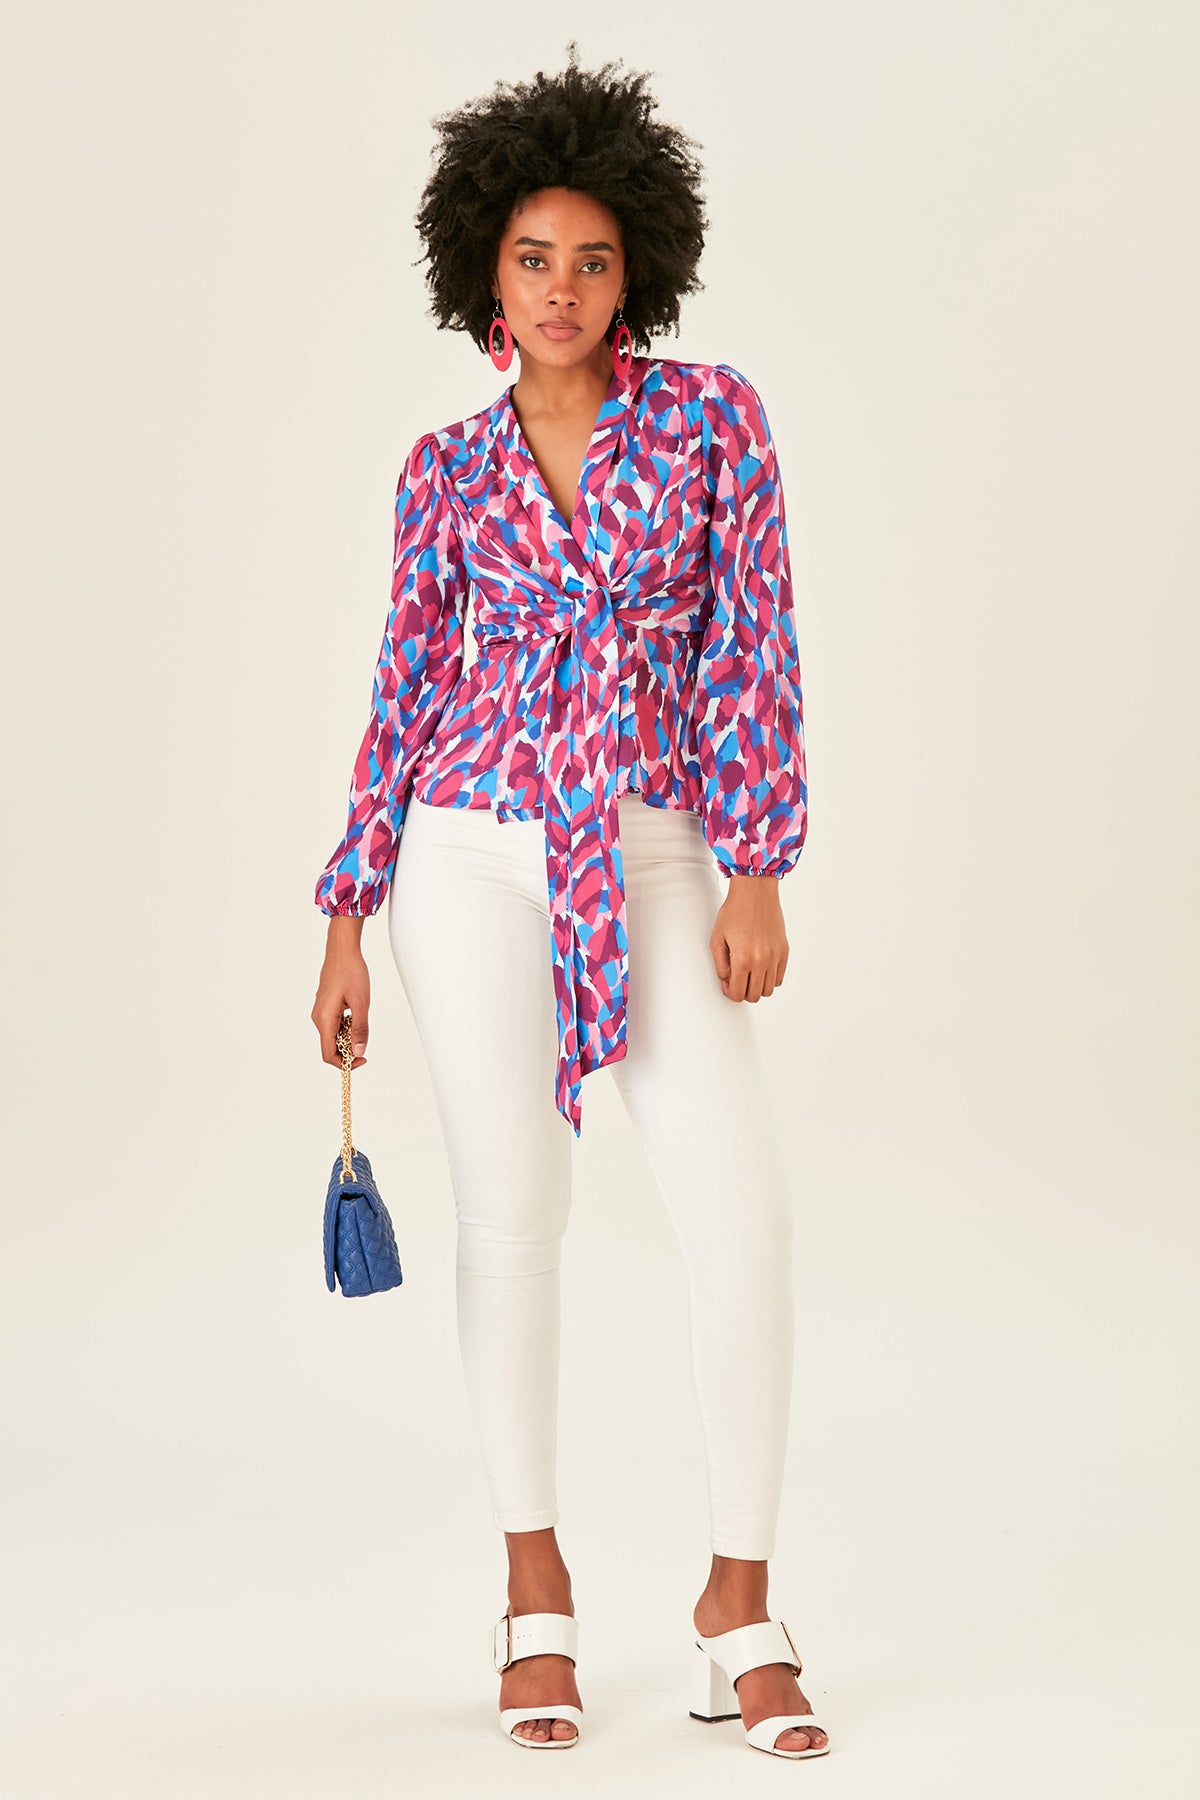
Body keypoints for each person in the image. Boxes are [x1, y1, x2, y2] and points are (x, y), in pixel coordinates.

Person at [309, 44, 828, 1761]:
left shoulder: (713, 420)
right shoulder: (445, 468)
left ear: (637, 273)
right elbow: (405, 685)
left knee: (739, 1215)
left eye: (593, 261)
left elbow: (754, 640)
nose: (560, 289)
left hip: (657, 841)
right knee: (511, 1213)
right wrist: (346, 911)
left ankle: (738, 1604)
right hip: (467, 852)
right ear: (485, 268)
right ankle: (534, 1588)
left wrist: (758, 861)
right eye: (533, 257)